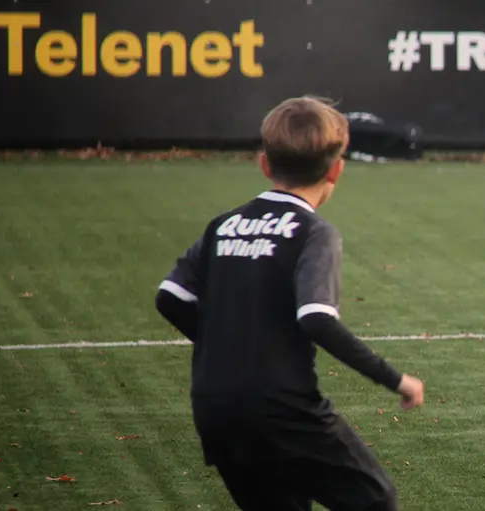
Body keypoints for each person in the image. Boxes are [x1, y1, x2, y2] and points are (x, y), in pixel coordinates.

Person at [154, 95, 425, 511]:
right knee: (374, 499)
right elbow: (316, 318)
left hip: (216, 408)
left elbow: (170, 297)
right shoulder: (314, 232)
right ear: (337, 168)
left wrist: (227, 346)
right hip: (283, 408)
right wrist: (396, 379)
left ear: (264, 164)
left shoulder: (224, 225)